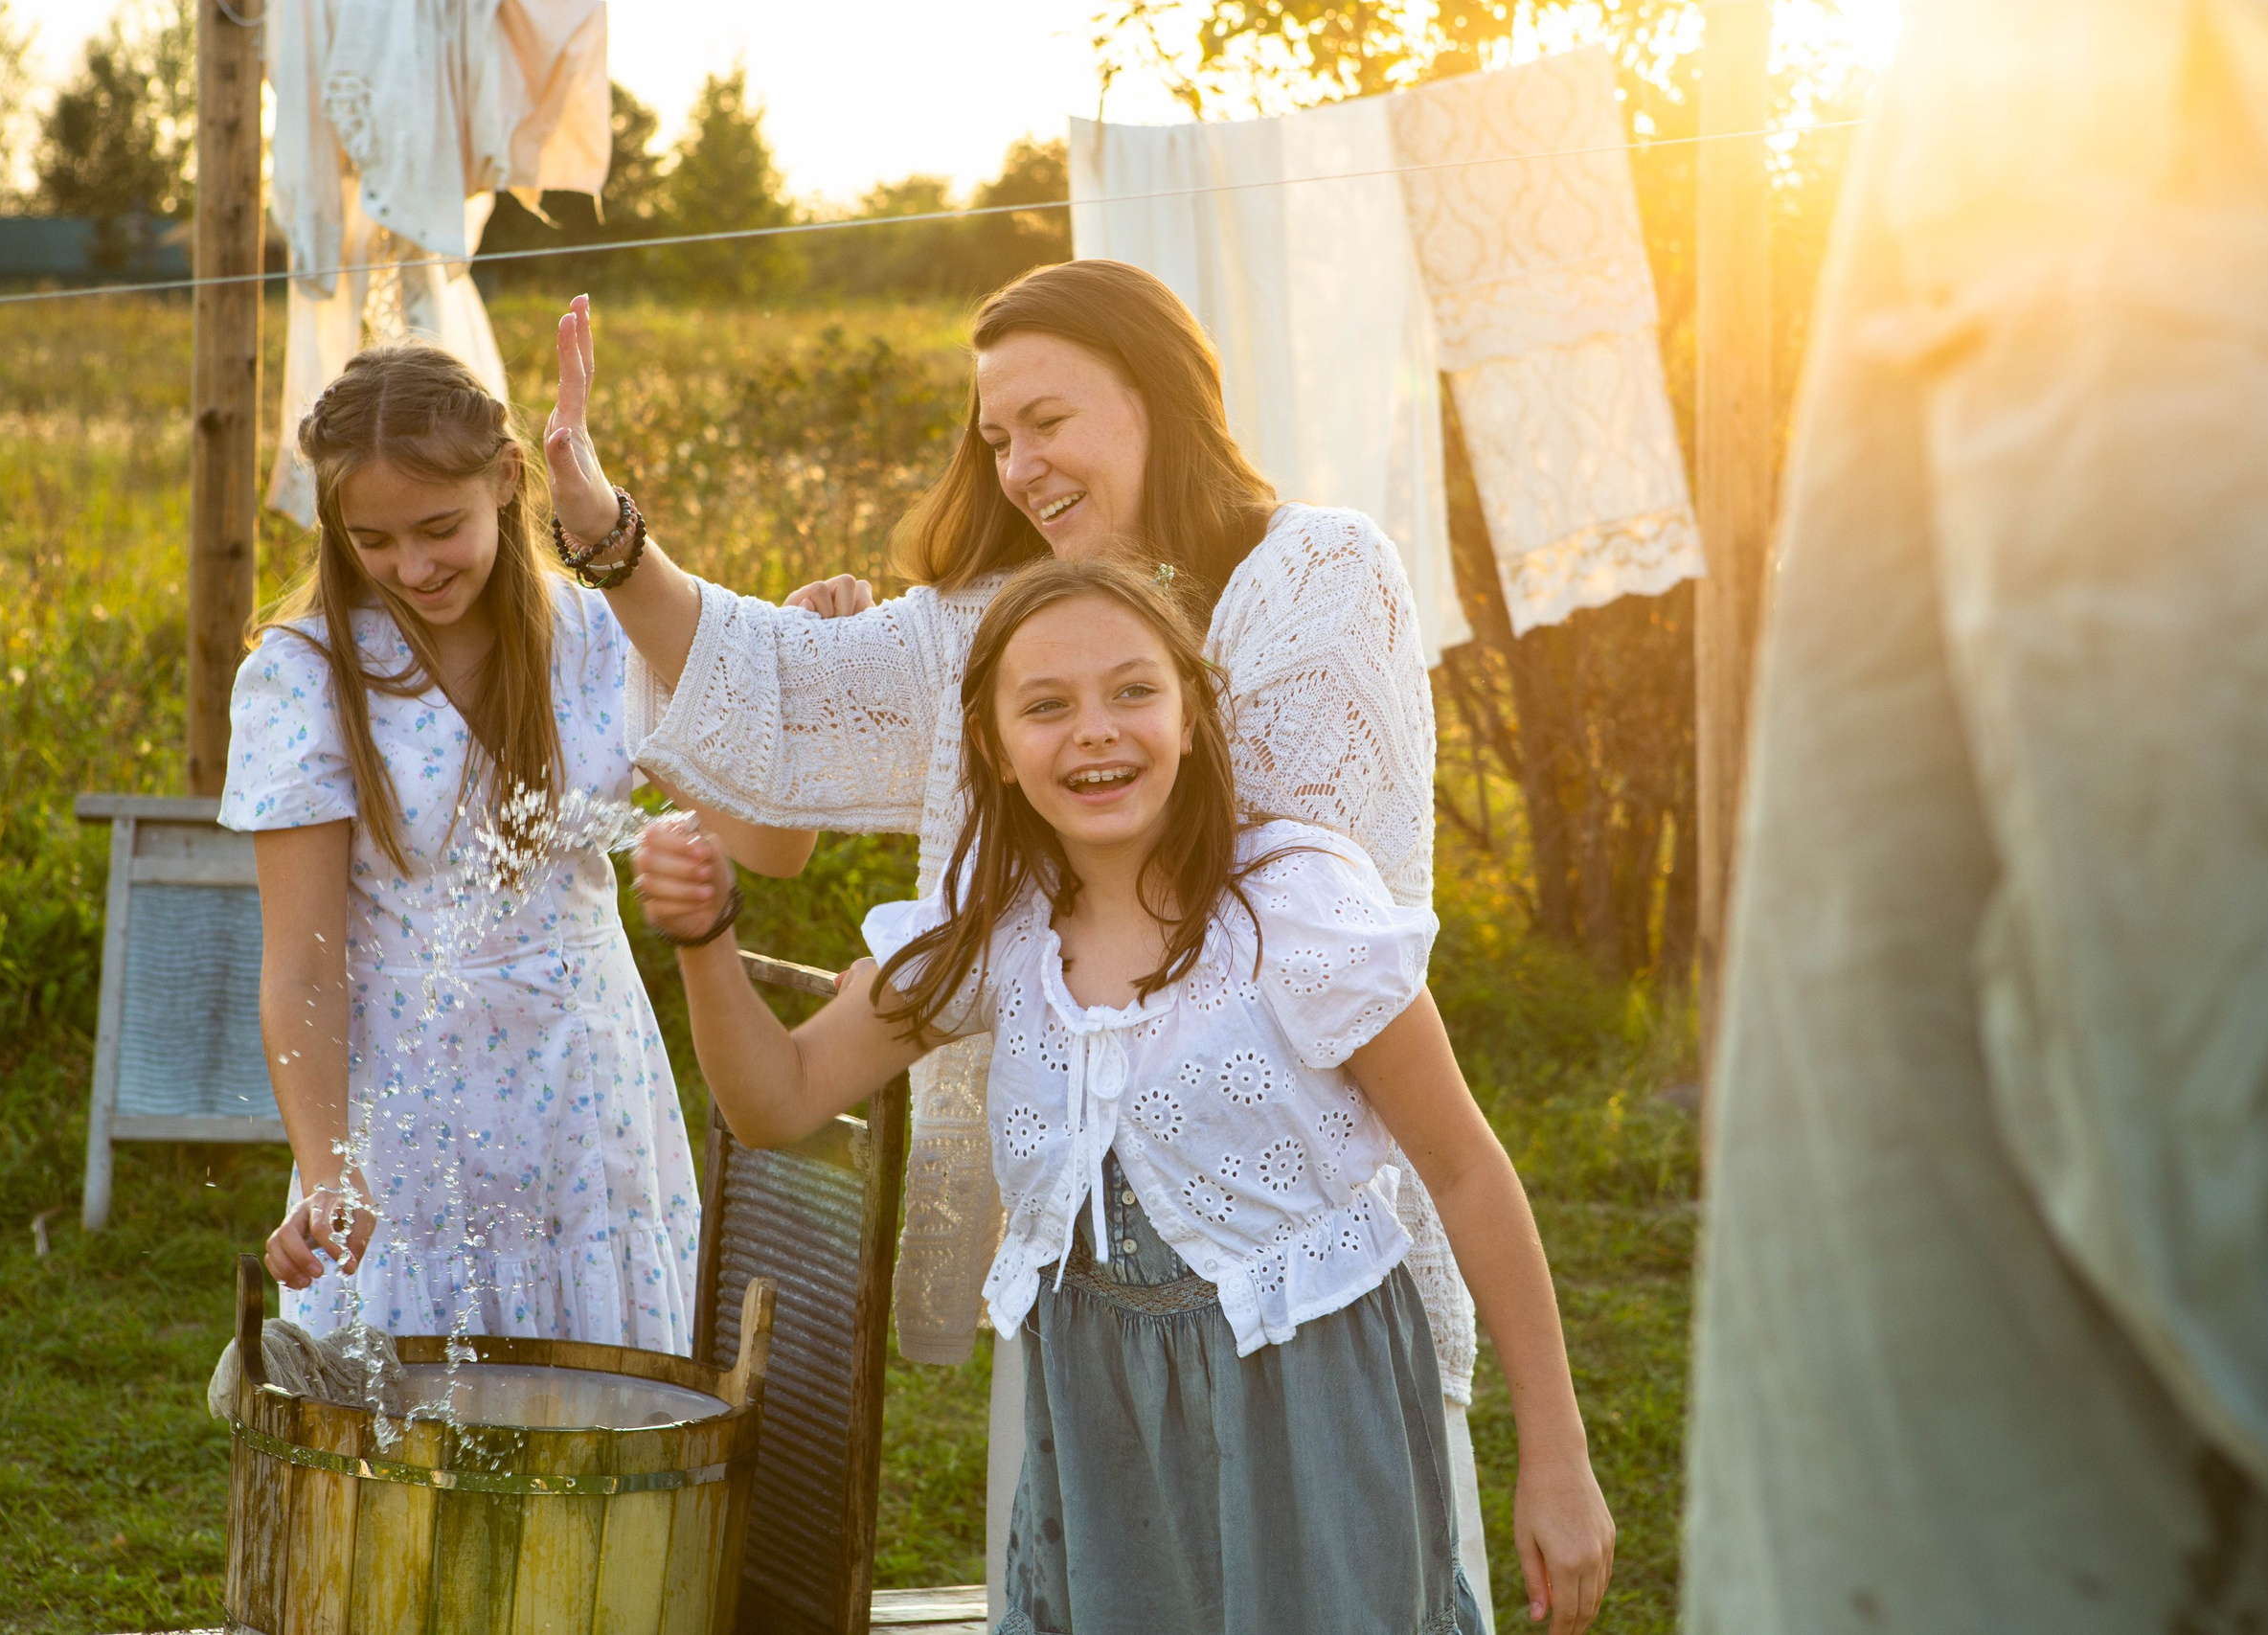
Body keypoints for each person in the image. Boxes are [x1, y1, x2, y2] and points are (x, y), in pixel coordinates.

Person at [541, 261, 1496, 1594]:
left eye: (1047, 420)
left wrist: (988, 890)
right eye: (996, 438)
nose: (1019, 465)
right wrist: (605, 530)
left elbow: (1284, 879)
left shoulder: (1320, 574)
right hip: (1087, 1279)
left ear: (1157, 396)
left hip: (1299, 1282)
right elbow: (781, 678)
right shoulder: (1002, 627)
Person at [636, 557, 1613, 1635]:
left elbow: (1466, 1171)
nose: (1095, 730)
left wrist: (1555, 1455)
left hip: (1310, 1422)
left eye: (1133, 690)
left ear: (1191, 715)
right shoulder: (994, 929)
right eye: (1046, 706)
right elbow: (780, 1099)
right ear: (994, 749)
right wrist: (704, 942)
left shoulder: (1293, 907)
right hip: (1104, 1441)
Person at [218, 343, 812, 1350]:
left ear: (504, 479)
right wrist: (328, 1169)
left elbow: (775, 846)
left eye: (439, 528)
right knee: (412, 1424)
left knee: (599, 1406)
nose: (413, 567)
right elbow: (304, 967)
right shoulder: (304, 677)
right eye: (374, 539)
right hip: (407, 1124)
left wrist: (790, 687)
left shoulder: (601, 640)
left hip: (587, 1107)